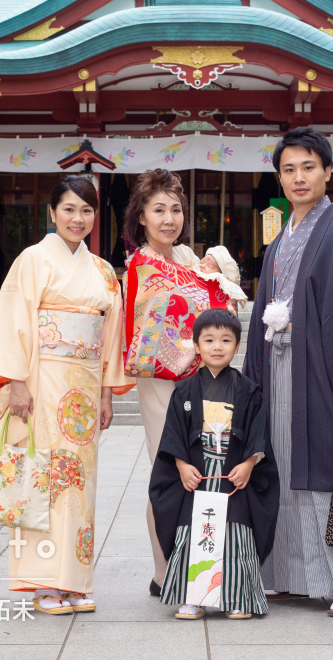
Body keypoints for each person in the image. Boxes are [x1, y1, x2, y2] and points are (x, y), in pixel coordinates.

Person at [244, 126, 333, 617]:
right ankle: (291, 574)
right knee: (281, 467)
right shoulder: (278, 241)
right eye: (289, 169)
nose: (299, 177)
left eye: (309, 167)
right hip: (279, 365)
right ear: (279, 179)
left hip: (325, 371)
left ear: (329, 171)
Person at [0, 175, 133, 615]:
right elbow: (14, 318)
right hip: (42, 379)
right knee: (45, 477)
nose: (78, 218)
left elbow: (110, 335)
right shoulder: (33, 259)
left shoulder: (103, 270)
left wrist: (106, 393)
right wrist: (17, 383)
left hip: (83, 387)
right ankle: (44, 582)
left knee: (78, 483)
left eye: (87, 210)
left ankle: (73, 582)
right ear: (51, 212)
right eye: (68, 209)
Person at [149, 309, 279, 620]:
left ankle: (236, 596)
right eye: (209, 340)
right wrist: (181, 464)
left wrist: (249, 463)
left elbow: (259, 432)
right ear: (196, 345)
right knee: (196, 530)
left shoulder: (248, 391)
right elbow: (173, 434)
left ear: (237, 346)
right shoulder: (184, 391)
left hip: (232, 473)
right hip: (198, 472)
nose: (217, 346)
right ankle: (193, 596)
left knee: (234, 533)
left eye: (225, 340)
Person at [120, 169, 200, 596]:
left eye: (175, 209)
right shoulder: (141, 264)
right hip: (159, 377)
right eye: (159, 210)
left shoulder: (184, 259)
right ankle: (162, 569)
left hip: (194, 374)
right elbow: (147, 330)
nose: (169, 219)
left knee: (197, 467)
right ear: (142, 218)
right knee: (168, 466)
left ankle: (190, 562)